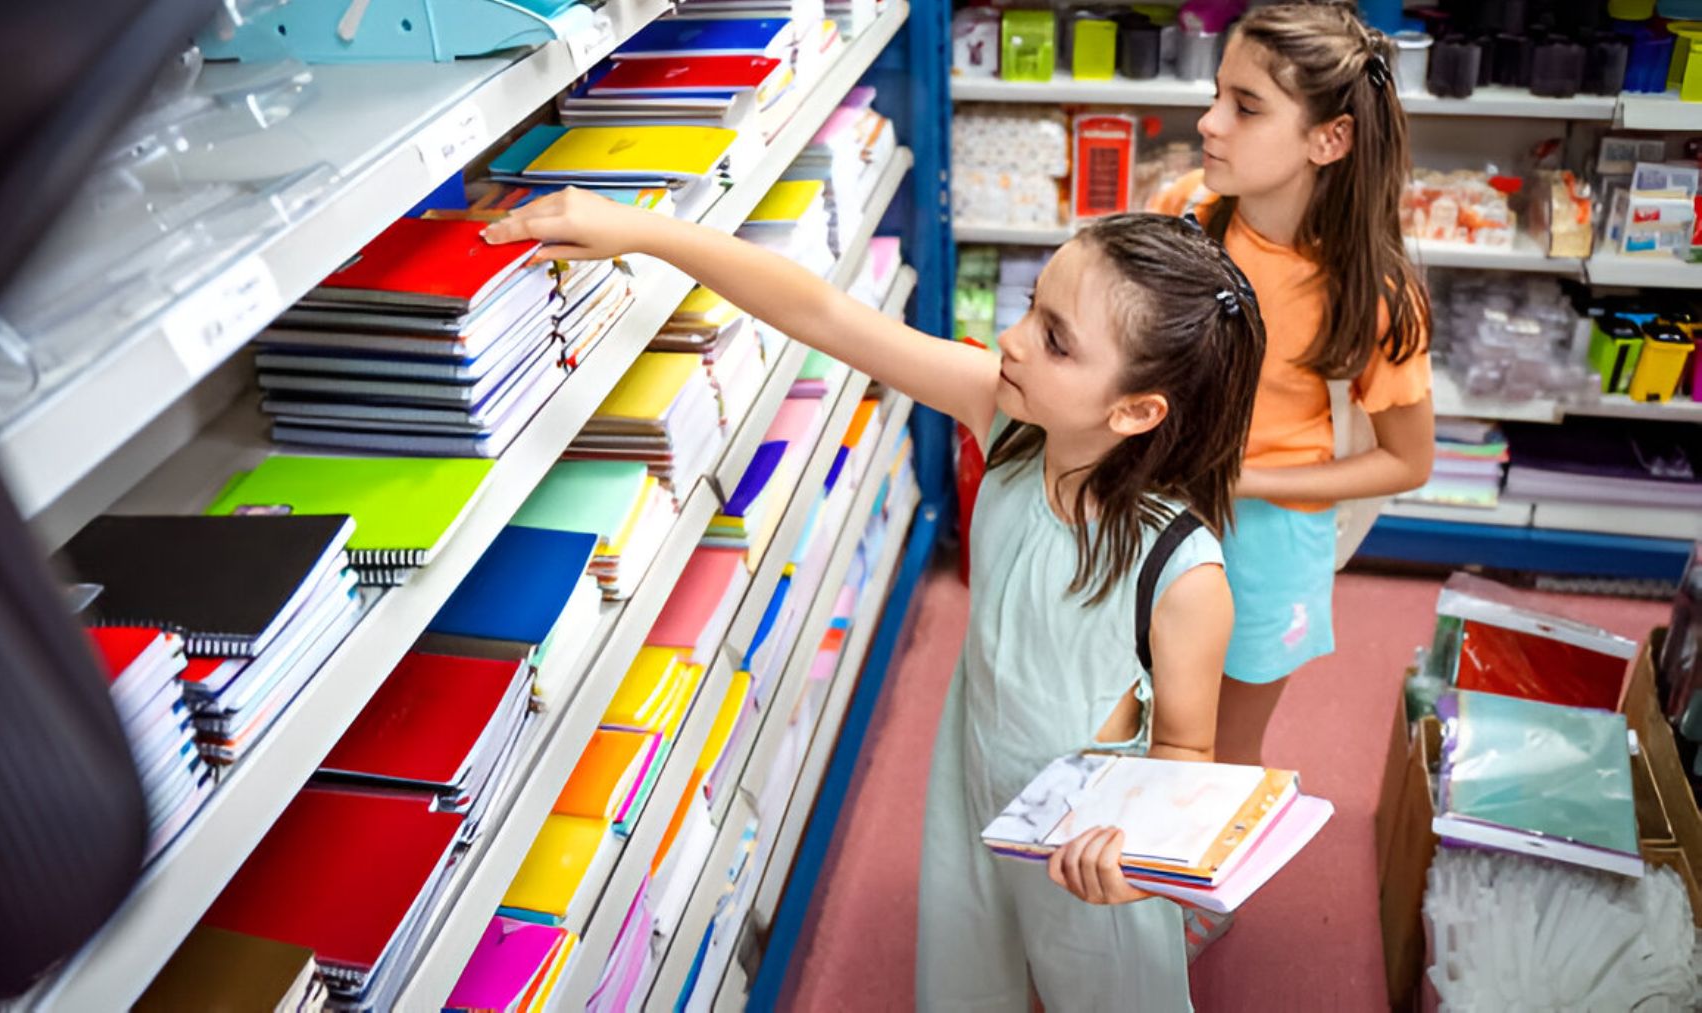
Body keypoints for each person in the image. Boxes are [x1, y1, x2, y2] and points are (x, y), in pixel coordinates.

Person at [483, 196, 1264, 1010]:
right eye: (1034, 307)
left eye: (1056, 340)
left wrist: (1133, 860)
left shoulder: (1182, 574)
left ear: (1136, 410)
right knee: (968, 982)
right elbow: (823, 313)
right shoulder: (1006, 420)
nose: (1012, 338)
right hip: (975, 796)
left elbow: (1184, 753)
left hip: (1088, 844)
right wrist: (649, 232)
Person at [1152, 0, 1435, 768]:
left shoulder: (1372, 294)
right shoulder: (1184, 213)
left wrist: (1244, 478)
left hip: (1270, 539)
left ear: (1329, 138)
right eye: (1217, 95)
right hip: (1160, 502)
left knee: (1223, 745)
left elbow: (1408, 461)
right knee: (1145, 715)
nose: (1210, 122)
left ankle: (1190, 888)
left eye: (1245, 107)